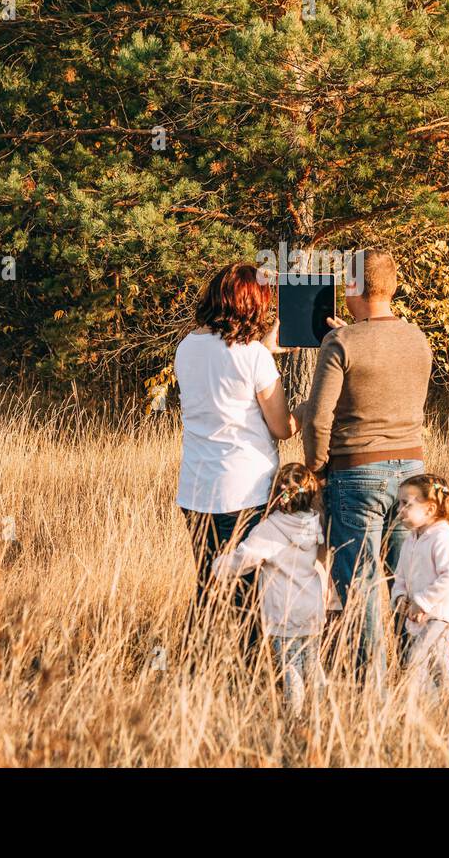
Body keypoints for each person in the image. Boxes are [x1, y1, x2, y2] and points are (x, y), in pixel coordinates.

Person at [298, 249, 432, 688]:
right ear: (390, 287)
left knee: (360, 583)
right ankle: (415, 674)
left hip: (356, 472)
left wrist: (316, 468)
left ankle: (369, 684)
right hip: (412, 473)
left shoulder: (341, 344)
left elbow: (319, 416)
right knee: (405, 580)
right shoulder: (418, 338)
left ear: (353, 288)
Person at [174, 263, 298, 644]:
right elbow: (282, 427)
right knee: (248, 592)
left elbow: (222, 379)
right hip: (244, 491)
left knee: (209, 585)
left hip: (196, 489)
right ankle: (251, 673)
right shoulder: (254, 358)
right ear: (251, 304)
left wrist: (263, 352)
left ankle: (199, 662)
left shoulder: (186, 347)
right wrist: (306, 411)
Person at [211, 463, 329, 717]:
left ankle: (294, 716)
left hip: (283, 610)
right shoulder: (314, 524)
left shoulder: (270, 529)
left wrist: (217, 566)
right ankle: (321, 711)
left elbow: (245, 558)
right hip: (311, 607)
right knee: (312, 663)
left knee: (291, 668)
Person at [392, 474, 449, 702]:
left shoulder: (442, 537)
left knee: (417, 659)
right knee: (439, 665)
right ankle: (446, 711)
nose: (400, 509)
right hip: (422, 616)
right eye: (399, 503)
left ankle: (431, 708)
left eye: (407, 504)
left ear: (429, 509)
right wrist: (399, 598)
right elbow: (401, 576)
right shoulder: (411, 539)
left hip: (443, 614)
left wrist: (422, 602)